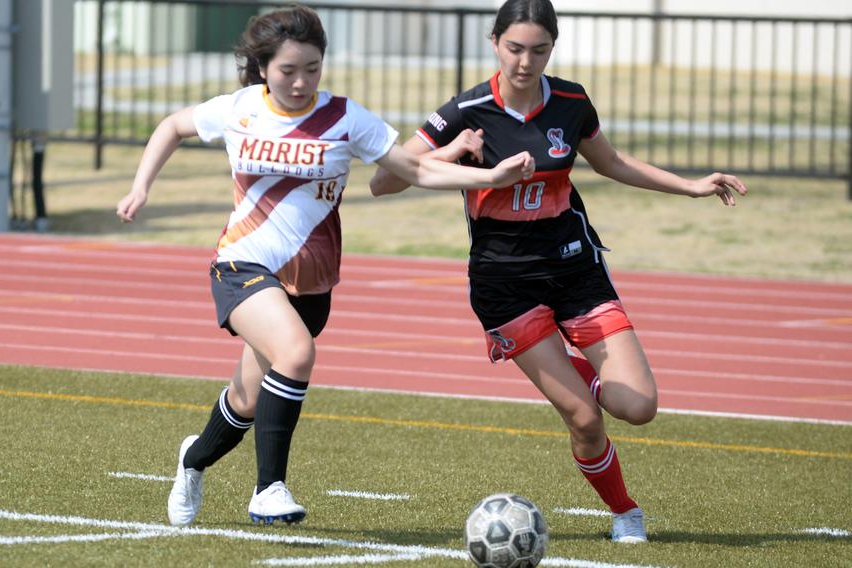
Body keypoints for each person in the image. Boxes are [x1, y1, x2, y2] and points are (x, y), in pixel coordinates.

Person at [116, 5, 534, 527]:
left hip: (310, 284)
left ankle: (192, 460)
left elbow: (413, 171)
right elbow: (171, 127)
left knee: (246, 401)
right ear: (263, 67)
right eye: (288, 70)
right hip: (241, 264)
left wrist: (489, 178)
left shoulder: (345, 117)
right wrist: (141, 186)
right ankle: (268, 489)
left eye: (311, 69)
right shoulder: (240, 108)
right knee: (296, 352)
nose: (299, 81)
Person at [369, 0, 747, 543]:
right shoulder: (465, 110)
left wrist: (691, 185)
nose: (525, 62)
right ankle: (625, 512)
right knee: (587, 420)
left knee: (636, 406)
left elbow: (611, 163)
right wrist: (455, 153)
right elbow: (384, 183)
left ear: (553, 48)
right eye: (515, 48)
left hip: (575, 270)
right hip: (506, 284)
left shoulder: (571, 101)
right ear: (494, 42)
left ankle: (581, 373)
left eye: (538, 50)